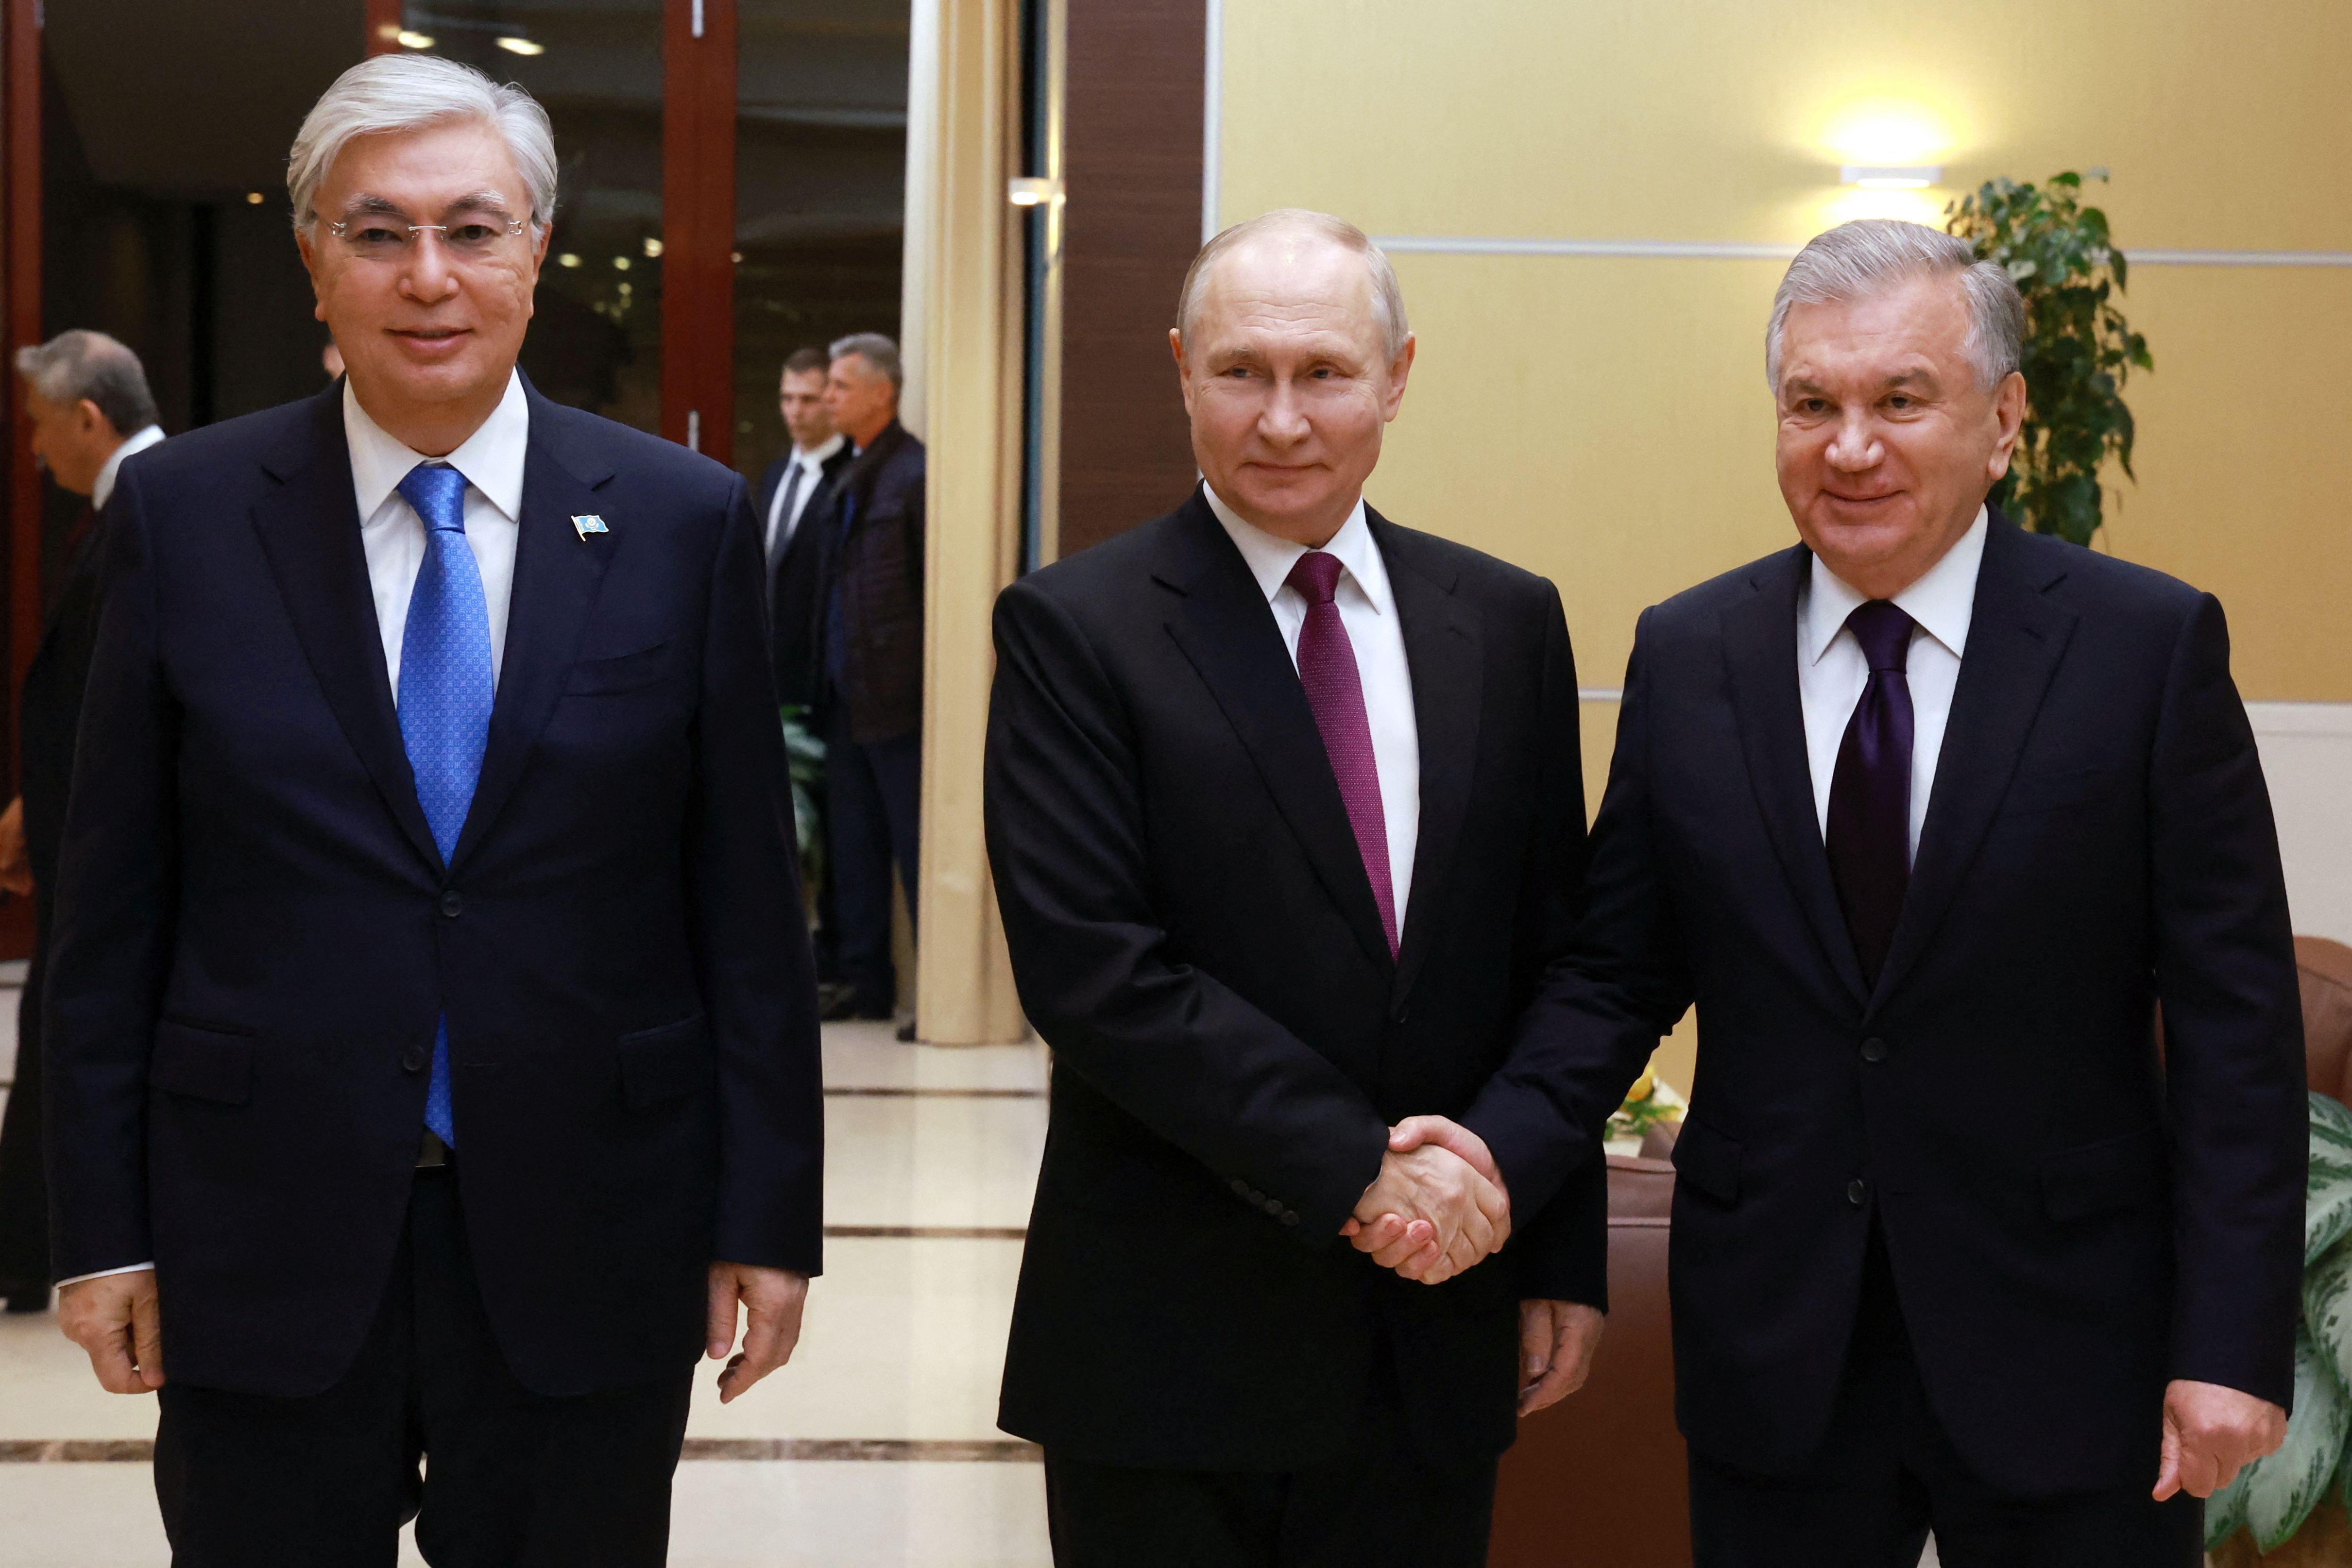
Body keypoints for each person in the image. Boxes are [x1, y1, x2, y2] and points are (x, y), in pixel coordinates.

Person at [43, 54, 823, 1565]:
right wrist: (102, 1227)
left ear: (535, 249)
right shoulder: (186, 517)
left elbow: (744, 913)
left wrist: (766, 1214)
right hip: (258, 1219)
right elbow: (108, 911)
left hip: (592, 1217)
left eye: (472, 228)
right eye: (378, 230)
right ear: (313, 259)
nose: (429, 276)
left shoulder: (682, 520)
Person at [1473, 219, 2304, 1566]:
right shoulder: (1691, 654)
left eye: (1899, 400)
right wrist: (1490, 1152)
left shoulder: (2143, 648)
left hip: (2067, 1338)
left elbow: (2235, 1026)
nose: (1848, 446)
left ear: (2003, 418)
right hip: (1778, 1342)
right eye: (1812, 403)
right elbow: (1612, 972)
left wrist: (2230, 1346)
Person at [983, 209, 1608, 1568]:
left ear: (1395, 374)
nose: (1281, 419)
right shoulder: (1074, 627)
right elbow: (1097, 972)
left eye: (1322, 371)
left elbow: (1550, 951)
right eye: (1239, 371)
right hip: (1169, 1343)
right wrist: (1364, 1172)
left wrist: (1552, 1247)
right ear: (1179, 369)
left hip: (1435, 1333)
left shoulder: (1502, 620)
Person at [0, 330, 165, 1315]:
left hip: (110, 851)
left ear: (88, 419)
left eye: (38, 425)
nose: (33, 448)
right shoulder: (122, 514)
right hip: (76, 833)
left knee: (79, 1031)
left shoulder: (153, 514)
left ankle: (40, 1250)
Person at [809, 333, 925, 1030]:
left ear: (881, 392)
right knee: (851, 848)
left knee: (911, 844)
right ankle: (863, 982)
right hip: (845, 696)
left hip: (897, 697)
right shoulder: (849, 472)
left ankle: (928, 991)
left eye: (839, 388)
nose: (828, 399)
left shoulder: (912, 474)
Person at [759, 347, 855, 999]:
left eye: (809, 399)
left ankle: (835, 960)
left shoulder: (852, 477)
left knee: (833, 840)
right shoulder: (773, 477)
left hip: (825, 693)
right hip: (770, 690)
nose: (795, 413)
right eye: (787, 399)